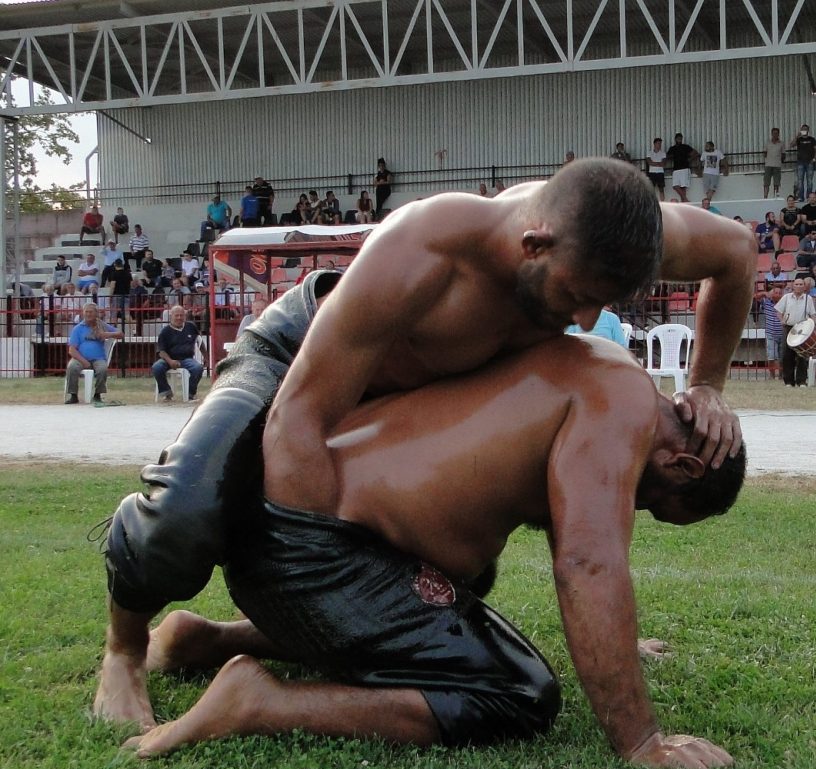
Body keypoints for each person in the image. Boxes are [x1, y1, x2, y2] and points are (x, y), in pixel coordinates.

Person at [94, 158, 752, 733]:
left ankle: (211, 640)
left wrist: (709, 386)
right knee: (189, 509)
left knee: (450, 559)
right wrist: (309, 566)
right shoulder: (429, 248)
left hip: (408, 388)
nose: (584, 324)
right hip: (298, 360)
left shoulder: (623, 230)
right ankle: (125, 650)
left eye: (601, 305)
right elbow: (300, 417)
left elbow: (736, 253)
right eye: (577, 297)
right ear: (534, 245)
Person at [117, 335, 745, 769]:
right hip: (314, 559)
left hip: (293, 543)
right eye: (651, 503)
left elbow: (571, 528)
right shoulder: (622, 412)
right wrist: (643, 742)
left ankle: (215, 639)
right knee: (518, 693)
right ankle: (261, 701)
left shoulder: (605, 365)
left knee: (473, 579)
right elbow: (587, 562)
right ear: (682, 463)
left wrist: (619, 643)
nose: (631, 509)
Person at [64, 301, 122, 404]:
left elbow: (121, 334)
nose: (88, 314)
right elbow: (72, 350)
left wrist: (106, 334)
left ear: (96, 313)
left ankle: (97, 395)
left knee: (102, 369)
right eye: (86, 312)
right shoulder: (78, 329)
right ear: (83, 313)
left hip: (98, 358)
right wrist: (84, 361)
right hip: (80, 358)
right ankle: (73, 395)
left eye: (91, 312)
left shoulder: (102, 325)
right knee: (72, 367)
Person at [153, 305, 206, 402]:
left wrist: (207, 358)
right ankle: (167, 393)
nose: (179, 318)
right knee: (157, 367)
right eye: (176, 315)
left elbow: (200, 343)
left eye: (181, 315)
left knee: (198, 368)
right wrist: (170, 361)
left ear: (185, 316)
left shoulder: (191, 326)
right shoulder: (165, 332)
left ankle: (190, 394)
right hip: (168, 359)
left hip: (187, 359)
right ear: (171, 316)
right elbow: (161, 351)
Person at [774, 277, 816, 386]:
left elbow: (813, 314)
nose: (798, 286)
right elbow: (778, 311)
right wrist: (782, 320)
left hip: (803, 329)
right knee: (787, 355)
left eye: (801, 284)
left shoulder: (808, 299)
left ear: (804, 287)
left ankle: (801, 381)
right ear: (793, 286)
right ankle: (788, 381)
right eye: (796, 284)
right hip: (789, 328)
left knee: (802, 355)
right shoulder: (786, 297)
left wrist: (815, 326)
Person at [755, 283, 784, 380]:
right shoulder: (767, 302)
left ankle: (780, 376)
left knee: (782, 357)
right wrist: (765, 293)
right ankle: (772, 376)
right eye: (775, 292)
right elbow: (755, 297)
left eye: (779, 293)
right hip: (771, 333)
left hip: (783, 333)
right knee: (771, 356)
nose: (777, 294)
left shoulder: (785, 303)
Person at [789, 124, 816, 201]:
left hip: (810, 163)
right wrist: (797, 136)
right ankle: (801, 197)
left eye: (805, 129)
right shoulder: (799, 139)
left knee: (809, 181)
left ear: (808, 130)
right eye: (803, 129)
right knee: (800, 181)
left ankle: (809, 197)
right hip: (800, 162)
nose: (804, 130)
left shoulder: (812, 139)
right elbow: (791, 145)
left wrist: (814, 159)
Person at [666, 133, 695, 203]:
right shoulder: (672, 148)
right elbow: (667, 156)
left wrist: (690, 160)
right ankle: (685, 199)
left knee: (683, 186)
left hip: (685, 168)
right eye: (678, 138)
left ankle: (683, 201)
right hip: (676, 169)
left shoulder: (685, 147)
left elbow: (695, 153)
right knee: (675, 186)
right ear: (675, 139)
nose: (679, 139)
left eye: (680, 138)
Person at [762, 128, 784, 198]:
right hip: (768, 165)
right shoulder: (767, 143)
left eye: (776, 133)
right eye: (774, 133)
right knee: (766, 182)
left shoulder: (781, 143)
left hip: (777, 165)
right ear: (771, 134)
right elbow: (764, 153)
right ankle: (765, 196)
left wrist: (779, 160)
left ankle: (776, 196)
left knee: (777, 182)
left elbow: (783, 154)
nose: (775, 135)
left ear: (778, 134)